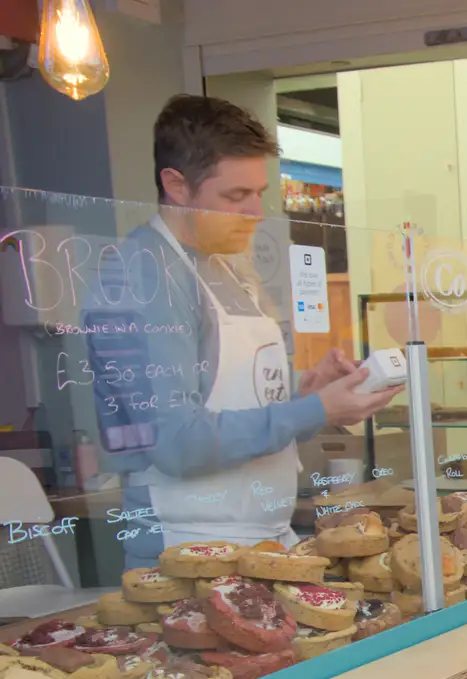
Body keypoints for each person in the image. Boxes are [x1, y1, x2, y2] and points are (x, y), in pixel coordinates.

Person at [110, 94, 400, 568]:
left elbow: (222, 388)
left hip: (258, 535)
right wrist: (313, 411)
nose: (255, 213)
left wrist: (301, 387)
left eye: (258, 193)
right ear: (176, 185)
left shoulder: (224, 268)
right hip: (189, 546)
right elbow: (177, 441)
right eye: (235, 196)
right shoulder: (146, 278)